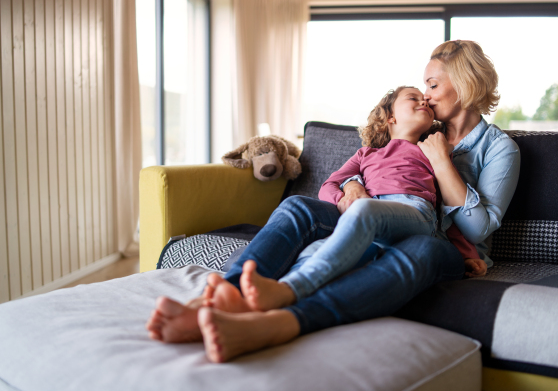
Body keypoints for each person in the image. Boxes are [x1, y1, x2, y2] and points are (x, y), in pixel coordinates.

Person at [146, 40, 520, 364]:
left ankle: (278, 323)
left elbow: (477, 227)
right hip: (378, 217)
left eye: (433, 84)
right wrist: (351, 186)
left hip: (443, 245)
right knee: (298, 208)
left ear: (466, 82)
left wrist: (441, 162)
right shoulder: (419, 129)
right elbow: (372, 163)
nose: (426, 94)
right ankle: (227, 294)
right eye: (423, 88)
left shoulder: (499, 148)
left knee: (420, 250)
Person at [237, 85, 482, 311]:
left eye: (424, 99)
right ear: (391, 117)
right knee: (317, 247)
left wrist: (467, 252)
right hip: (368, 224)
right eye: (413, 98)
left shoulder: (431, 151)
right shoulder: (366, 154)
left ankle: (287, 290)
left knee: (365, 212)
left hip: (414, 214)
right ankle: (250, 297)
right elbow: (329, 185)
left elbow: (447, 207)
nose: (424, 101)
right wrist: (345, 197)